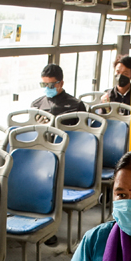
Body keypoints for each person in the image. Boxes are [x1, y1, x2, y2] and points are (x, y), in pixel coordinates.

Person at [30, 63, 85, 246]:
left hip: (68, 155)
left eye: (51, 85)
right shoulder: (37, 105)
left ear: (61, 83)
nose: (48, 89)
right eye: (44, 85)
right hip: (42, 154)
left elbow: (82, 137)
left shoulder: (75, 105)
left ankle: (50, 229)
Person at [101, 55, 131, 147]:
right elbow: (102, 123)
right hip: (110, 140)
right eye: (118, 72)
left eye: (125, 73)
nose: (120, 76)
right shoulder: (106, 98)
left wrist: (130, 141)